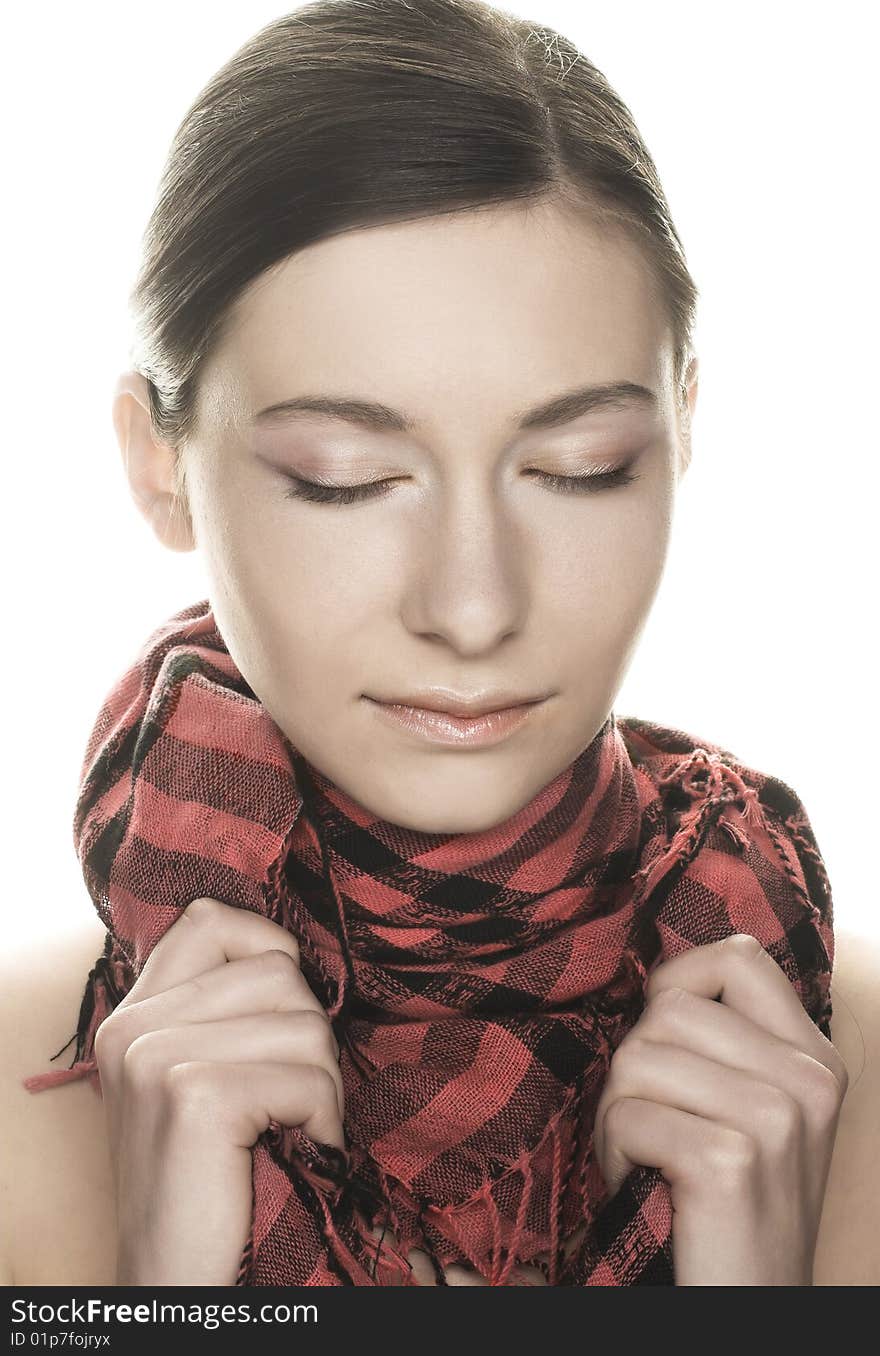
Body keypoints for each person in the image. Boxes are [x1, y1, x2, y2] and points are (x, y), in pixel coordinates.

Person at [2, 0, 877, 1287]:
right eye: (344, 478)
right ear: (161, 469)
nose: (473, 610)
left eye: (580, 468)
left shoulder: (828, 1066)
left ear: (682, 428)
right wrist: (174, 1301)